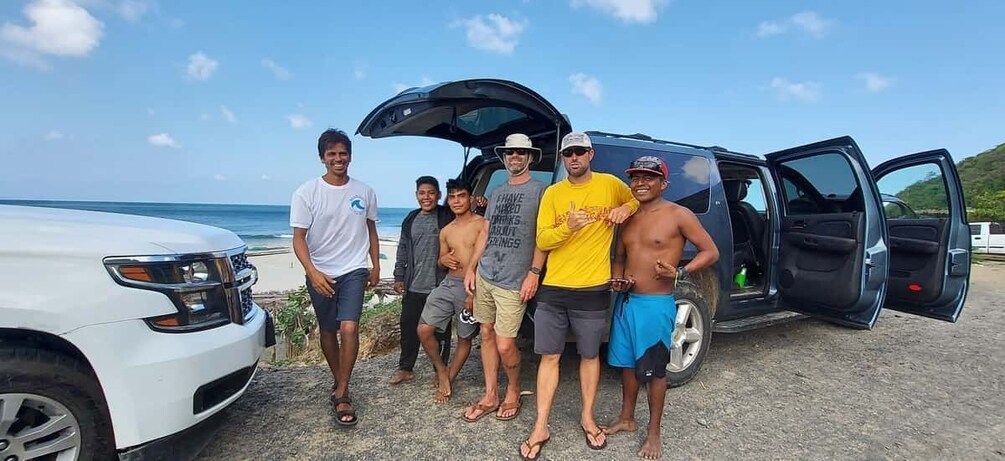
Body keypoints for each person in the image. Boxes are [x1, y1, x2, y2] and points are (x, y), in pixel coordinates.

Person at [520, 132, 639, 459]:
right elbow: (543, 239)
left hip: (592, 288)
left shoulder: (610, 184)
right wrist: (567, 227)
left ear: (590, 154)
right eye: (568, 153)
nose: (574, 158)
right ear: (562, 158)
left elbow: (636, 198)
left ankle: (588, 417)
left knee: (589, 356)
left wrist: (626, 209)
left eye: (579, 152)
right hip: (554, 288)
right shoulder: (553, 194)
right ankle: (541, 425)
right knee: (550, 356)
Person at [602, 156, 719, 460]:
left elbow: (710, 251)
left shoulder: (678, 214)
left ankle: (654, 434)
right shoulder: (627, 217)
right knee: (626, 364)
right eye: (636, 178)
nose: (640, 183)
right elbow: (619, 256)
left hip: (656, 305)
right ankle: (627, 418)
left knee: (654, 372)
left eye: (649, 178)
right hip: (627, 303)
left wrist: (680, 273)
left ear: (663, 184)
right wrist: (618, 279)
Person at [290, 128, 380, 427]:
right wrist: (312, 272)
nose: (338, 158)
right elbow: (299, 239)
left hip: (354, 269)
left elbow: (371, 230)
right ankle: (339, 380)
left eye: (343, 153)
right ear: (322, 158)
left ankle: (342, 392)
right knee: (328, 331)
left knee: (349, 327)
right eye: (332, 154)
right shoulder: (306, 193)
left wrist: (375, 265)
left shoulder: (365, 191)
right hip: (321, 272)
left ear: (350, 156)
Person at [462, 133, 548, 423]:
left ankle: (512, 390)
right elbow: (485, 233)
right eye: (510, 153)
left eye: (521, 153)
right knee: (485, 333)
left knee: (505, 344)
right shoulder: (497, 192)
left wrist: (533, 274)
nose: (515, 157)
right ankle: (490, 394)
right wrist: (471, 268)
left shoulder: (541, 191)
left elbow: (542, 238)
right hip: (487, 274)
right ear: (504, 157)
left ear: (530, 157)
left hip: (514, 279)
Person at [417, 179, 484, 403]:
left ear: (471, 199)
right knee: (424, 329)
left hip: (473, 286)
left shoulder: (482, 224)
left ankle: (449, 378)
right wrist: (443, 259)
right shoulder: (445, 231)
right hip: (449, 283)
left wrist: (474, 294)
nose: (456, 201)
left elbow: (486, 261)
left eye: (461, 196)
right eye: (452, 197)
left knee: (464, 337)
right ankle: (441, 369)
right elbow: (440, 262)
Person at [389, 176, 454, 385]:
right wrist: (399, 275)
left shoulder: (446, 215)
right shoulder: (411, 218)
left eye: (431, 193)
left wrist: (481, 206)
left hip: (439, 285)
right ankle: (406, 368)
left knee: (440, 331)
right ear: (417, 195)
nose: (426, 197)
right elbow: (403, 248)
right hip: (414, 285)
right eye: (422, 193)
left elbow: (467, 223)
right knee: (408, 327)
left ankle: (440, 370)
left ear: (439, 195)